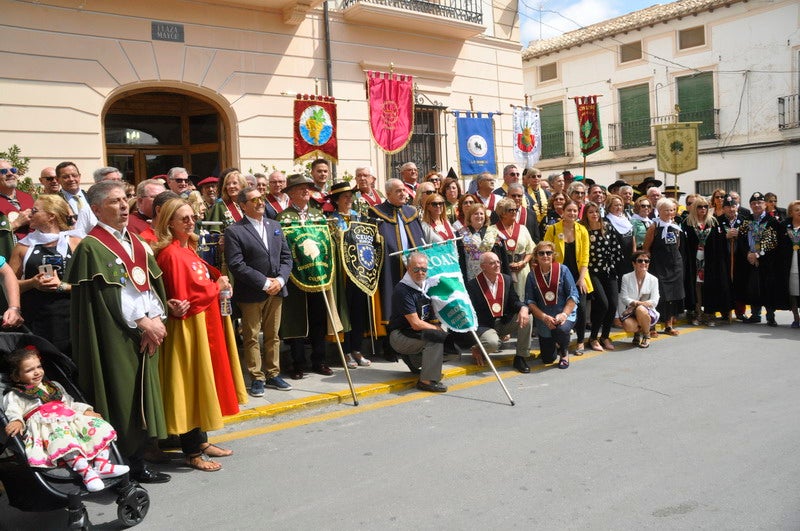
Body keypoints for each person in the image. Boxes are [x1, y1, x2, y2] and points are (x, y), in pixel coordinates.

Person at [65, 180, 170, 483]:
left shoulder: (136, 241)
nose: (124, 205)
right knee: (120, 396)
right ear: (96, 209)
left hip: (144, 330)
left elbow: (146, 285)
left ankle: (138, 461)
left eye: (125, 199)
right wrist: (142, 321)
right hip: (114, 334)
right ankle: (120, 465)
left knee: (141, 395)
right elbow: (109, 296)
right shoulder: (90, 247)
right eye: (114, 201)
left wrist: (157, 316)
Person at [153, 198, 246, 472]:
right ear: (169, 221)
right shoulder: (170, 254)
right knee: (192, 384)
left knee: (203, 383)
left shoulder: (187, 248)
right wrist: (217, 285)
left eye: (192, 217)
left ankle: (201, 441)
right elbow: (186, 298)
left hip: (204, 324)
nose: (190, 221)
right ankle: (191, 451)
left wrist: (216, 281)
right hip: (188, 329)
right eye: (183, 218)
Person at [2, 347, 129, 492]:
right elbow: (13, 411)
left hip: (69, 419)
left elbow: (70, 403)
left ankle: (102, 465)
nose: (37, 372)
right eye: (29, 370)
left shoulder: (54, 386)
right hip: (46, 428)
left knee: (100, 427)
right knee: (63, 439)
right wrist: (17, 421)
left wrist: (86, 410)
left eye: (39, 366)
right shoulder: (15, 394)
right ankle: (86, 473)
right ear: (17, 377)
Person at [224, 186, 293, 395]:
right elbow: (236, 264)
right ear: (243, 205)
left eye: (261, 198)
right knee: (252, 336)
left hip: (277, 290)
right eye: (254, 200)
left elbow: (286, 257)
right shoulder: (234, 231)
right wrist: (264, 283)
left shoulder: (275, 225)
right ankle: (256, 377)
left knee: (273, 335)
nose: (260, 202)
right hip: (252, 292)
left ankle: (273, 373)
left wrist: (280, 280)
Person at [276, 174, 337, 379]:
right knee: (296, 320)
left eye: (307, 188)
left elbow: (326, 243)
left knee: (319, 319)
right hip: (295, 277)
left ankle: (319, 360)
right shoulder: (283, 218)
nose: (305, 191)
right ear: (291, 193)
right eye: (300, 188)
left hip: (317, 274)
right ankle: (297, 363)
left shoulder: (318, 215)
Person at [9, 194, 80, 354]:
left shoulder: (75, 243)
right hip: (36, 319)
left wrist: (63, 286)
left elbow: (90, 285)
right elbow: (8, 285)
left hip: (72, 318)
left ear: (51, 216)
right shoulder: (23, 246)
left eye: (35, 210)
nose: (29, 214)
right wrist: (32, 283)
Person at [370, 178, 426, 335]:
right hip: (391, 266)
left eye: (403, 190)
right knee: (392, 300)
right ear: (388, 194)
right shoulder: (377, 212)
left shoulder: (411, 212)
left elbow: (419, 238)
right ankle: (390, 342)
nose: (403, 193)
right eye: (398, 191)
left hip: (412, 266)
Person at [387, 252, 448, 392]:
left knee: (452, 347)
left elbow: (432, 316)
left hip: (416, 334)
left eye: (424, 269)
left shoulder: (426, 286)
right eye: (416, 269)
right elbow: (415, 323)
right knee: (436, 339)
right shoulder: (403, 290)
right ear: (408, 269)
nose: (420, 272)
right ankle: (426, 381)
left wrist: (439, 326)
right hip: (400, 335)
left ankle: (414, 361)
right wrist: (437, 330)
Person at [327, 181, 372, 368]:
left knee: (358, 311)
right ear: (337, 200)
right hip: (341, 273)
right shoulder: (330, 220)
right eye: (345, 196)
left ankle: (357, 349)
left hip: (359, 271)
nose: (349, 199)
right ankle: (344, 352)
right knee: (344, 311)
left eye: (350, 196)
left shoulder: (359, 217)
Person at [466, 252, 532, 373]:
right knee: (492, 343)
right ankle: (478, 348)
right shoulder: (473, 285)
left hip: (504, 321)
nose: (497, 265)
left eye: (498, 262)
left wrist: (523, 308)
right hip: (485, 326)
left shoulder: (506, 279)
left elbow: (514, 301)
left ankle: (521, 357)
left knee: (528, 317)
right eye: (492, 263)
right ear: (482, 266)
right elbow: (471, 314)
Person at [543, 200, 592, 354]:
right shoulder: (553, 229)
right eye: (569, 210)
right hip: (559, 275)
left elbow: (585, 256)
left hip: (579, 275)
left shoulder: (582, 230)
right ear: (562, 212)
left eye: (575, 211)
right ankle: (560, 340)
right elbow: (545, 249)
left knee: (582, 309)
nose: (572, 213)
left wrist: (582, 278)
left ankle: (580, 341)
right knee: (559, 307)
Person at [525, 240, 579, 368]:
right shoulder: (532, 276)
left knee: (561, 329)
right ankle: (556, 344)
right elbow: (530, 302)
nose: (545, 256)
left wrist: (564, 314)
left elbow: (573, 295)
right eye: (541, 253)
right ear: (536, 256)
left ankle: (564, 352)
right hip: (544, 318)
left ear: (553, 254)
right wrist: (544, 317)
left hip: (563, 314)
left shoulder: (563, 270)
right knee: (548, 359)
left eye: (548, 253)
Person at [682, 197, 731, 326]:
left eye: (705, 206)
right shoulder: (687, 223)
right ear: (694, 208)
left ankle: (709, 313)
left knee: (709, 285)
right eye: (699, 206)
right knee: (696, 285)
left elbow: (719, 243)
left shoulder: (713, 222)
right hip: (694, 260)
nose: (703, 209)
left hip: (710, 260)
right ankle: (698, 312)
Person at [581, 201, 623, 352]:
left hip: (608, 270)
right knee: (603, 304)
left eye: (596, 212)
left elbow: (616, 248)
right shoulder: (583, 229)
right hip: (592, 272)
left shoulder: (607, 226)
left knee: (612, 304)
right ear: (586, 214)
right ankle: (593, 337)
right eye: (591, 212)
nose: (594, 215)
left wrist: (614, 267)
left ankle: (605, 336)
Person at [742, 192, 786, 326]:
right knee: (754, 288)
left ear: (765, 204)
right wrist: (749, 253)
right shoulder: (747, 220)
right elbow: (742, 239)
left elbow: (772, 241)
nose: (756, 205)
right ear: (750, 205)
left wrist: (758, 254)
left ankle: (770, 316)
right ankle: (755, 315)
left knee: (769, 289)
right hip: (751, 259)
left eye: (759, 203)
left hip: (767, 261)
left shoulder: (772, 221)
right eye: (754, 203)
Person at [643, 197, 685, 336]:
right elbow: (646, 248)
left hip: (675, 265)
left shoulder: (675, 225)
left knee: (672, 296)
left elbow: (677, 244)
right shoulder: (654, 226)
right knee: (658, 296)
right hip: (658, 265)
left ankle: (668, 325)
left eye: (672, 210)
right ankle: (652, 326)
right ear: (659, 211)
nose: (670, 213)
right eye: (666, 210)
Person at [484, 198, 534, 301]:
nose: (515, 212)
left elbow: (531, 250)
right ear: (503, 213)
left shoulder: (523, 228)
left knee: (525, 298)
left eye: (516, 209)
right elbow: (485, 250)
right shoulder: (492, 229)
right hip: (503, 270)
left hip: (522, 270)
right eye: (511, 210)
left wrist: (523, 262)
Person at [617, 251, 661, 348]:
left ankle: (646, 335)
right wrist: (637, 304)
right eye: (640, 261)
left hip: (647, 313)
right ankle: (637, 333)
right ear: (634, 263)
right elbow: (624, 297)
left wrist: (638, 305)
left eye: (646, 261)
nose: (643, 263)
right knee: (628, 325)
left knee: (640, 309)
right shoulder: (626, 277)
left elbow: (655, 301)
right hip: (631, 313)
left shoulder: (654, 279)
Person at [717, 194, 749, 321]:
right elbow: (713, 240)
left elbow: (748, 240)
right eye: (728, 207)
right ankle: (725, 311)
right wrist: (725, 236)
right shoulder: (717, 221)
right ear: (723, 208)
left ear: (737, 207)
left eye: (733, 206)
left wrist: (738, 235)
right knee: (724, 284)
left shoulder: (744, 221)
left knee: (740, 284)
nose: (731, 209)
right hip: (724, 258)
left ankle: (740, 312)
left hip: (740, 258)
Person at [457, 203, 492, 282]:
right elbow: (460, 257)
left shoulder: (492, 232)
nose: (479, 216)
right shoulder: (462, 233)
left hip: (491, 274)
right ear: (470, 217)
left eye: (481, 214)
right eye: (475, 214)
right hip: (470, 277)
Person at [0, 159, 34, 240]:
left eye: (13, 170)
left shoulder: (27, 197)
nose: (10, 173)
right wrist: (17, 223)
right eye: (4, 171)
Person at [780, 200, 800, 328]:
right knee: (792, 293)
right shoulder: (784, 226)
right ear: (791, 213)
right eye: (797, 210)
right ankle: (796, 317)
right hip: (790, 265)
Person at [606, 193, 635, 277]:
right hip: (616, 260)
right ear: (609, 207)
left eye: (620, 205)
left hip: (629, 259)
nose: (619, 207)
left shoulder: (626, 220)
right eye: (616, 205)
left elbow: (632, 238)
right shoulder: (607, 222)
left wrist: (634, 256)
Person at [127, 179, 165, 243]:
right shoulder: (130, 223)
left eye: (164, 197)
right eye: (155, 197)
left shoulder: (171, 221)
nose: (162, 201)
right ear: (140, 201)